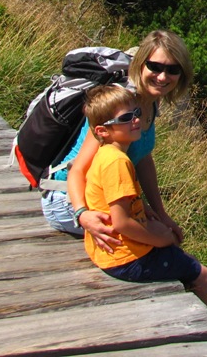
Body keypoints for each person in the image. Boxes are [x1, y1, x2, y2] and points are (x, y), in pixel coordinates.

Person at [40, 30, 193, 251]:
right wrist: (82, 214)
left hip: (103, 198)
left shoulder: (151, 101)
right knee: (159, 242)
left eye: (173, 70)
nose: (162, 77)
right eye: (155, 67)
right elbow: (78, 169)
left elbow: (143, 157)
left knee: (164, 235)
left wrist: (160, 213)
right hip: (67, 199)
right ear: (141, 64)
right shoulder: (120, 105)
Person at [81, 84, 207, 302]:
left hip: (108, 253)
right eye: (125, 118)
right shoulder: (117, 162)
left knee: (178, 253)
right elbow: (122, 223)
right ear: (102, 131)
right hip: (126, 258)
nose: (135, 120)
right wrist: (160, 240)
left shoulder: (105, 154)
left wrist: (147, 213)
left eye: (137, 113)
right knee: (203, 275)